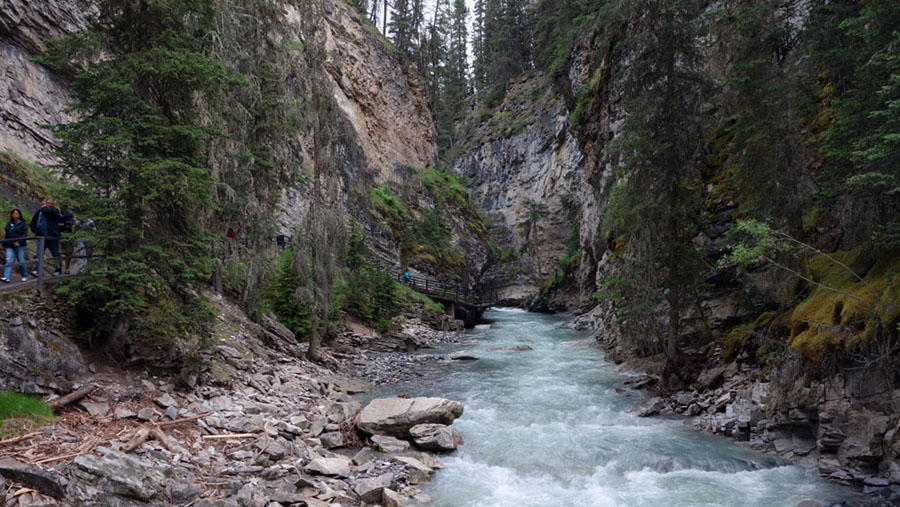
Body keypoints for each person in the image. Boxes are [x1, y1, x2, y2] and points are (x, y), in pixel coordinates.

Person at [29, 198, 63, 276]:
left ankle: (58, 270)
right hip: (42, 237)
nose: (49, 205)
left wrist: (44, 207)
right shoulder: (40, 212)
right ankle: (37, 270)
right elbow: (33, 221)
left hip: (52, 237)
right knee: (39, 254)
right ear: (46, 203)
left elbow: (49, 211)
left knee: (56, 254)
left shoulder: (55, 211)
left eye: (51, 204)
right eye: (48, 203)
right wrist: (35, 231)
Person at [1, 209, 28, 283]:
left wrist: (19, 242)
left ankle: (24, 275)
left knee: (21, 260)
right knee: (9, 260)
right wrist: (4, 245)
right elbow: (7, 235)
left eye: (16, 214)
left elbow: (24, 234)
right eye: (13, 214)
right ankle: (6, 276)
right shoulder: (9, 224)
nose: (15, 215)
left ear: (19, 215)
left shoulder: (23, 224)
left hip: (20, 245)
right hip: (10, 244)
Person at [59, 209, 75, 274]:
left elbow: (70, 223)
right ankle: (58, 268)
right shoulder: (57, 213)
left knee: (68, 252)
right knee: (57, 252)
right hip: (57, 234)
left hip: (67, 234)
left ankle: (67, 268)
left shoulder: (69, 214)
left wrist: (62, 224)